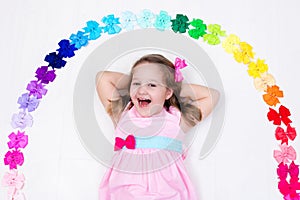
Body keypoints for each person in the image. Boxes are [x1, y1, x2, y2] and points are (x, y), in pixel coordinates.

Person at [96, 54, 220, 200]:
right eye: (136, 84)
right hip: (126, 192)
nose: (142, 90)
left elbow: (212, 95)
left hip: (168, 193)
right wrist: (133, 81)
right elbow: (102, 78)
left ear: (168, 92)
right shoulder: (122, 114)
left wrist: (174, 86)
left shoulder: (178, 121)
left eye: (152, 85)